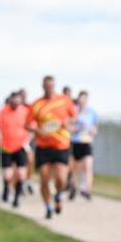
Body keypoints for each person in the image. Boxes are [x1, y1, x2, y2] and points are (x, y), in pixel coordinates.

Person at [26, 76, 77, 219]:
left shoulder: (64, 100)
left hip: (61, 144)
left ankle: (58, 195)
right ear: (43, 86)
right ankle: (48, 206)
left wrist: (69, 122)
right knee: (44, 178)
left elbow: (74, 116)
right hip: (43, 146)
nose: (49, 88)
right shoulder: (36, 104)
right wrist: (37, 131)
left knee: (61, 179)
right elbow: (27, 124)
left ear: (54, 86)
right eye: (46, 86)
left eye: (51, 85)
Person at [0, 92, 31, 208]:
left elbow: (32, 127)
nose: (15, 103)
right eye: (13, 100)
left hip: (21, 147)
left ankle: (16, 197)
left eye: (18, 100)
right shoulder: (2, 112)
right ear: (10, 100)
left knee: (21, 174)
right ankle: (6, 189)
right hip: (6, 147)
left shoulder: (25, 112)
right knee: (8, 175)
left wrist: (27, 140)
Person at [69, 90, 98, 201]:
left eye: (85, 98)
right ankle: (73, 187)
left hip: (87, 142)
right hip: (75, 142)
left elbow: (95, 127)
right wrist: (77, 129)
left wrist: (93, 131)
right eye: (81, 98)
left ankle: (87, 190)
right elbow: (68, 127)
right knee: (74, 169)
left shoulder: (92, 112)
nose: (83, 101)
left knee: (88, 166)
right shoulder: (74, 111)